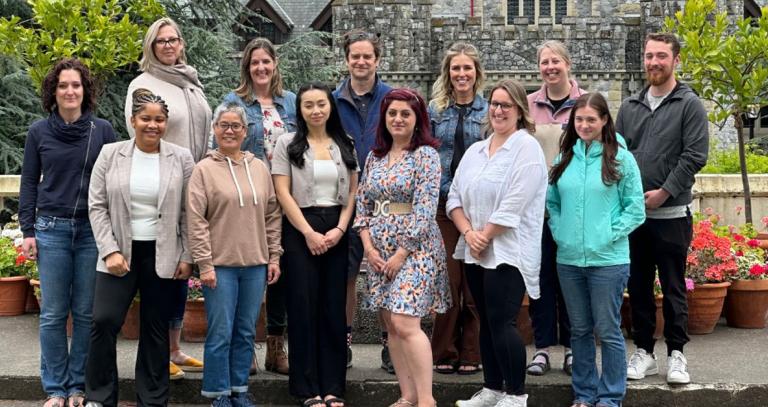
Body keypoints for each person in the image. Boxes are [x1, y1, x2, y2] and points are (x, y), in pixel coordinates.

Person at [85, 89, 195, 407]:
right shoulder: (110, 154)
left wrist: (187, 255)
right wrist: (109, 250)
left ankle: (152, 398)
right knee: (104, 320)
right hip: (119, 253)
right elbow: (97, 205)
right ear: (133, 120)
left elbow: (189, 211)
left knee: (156, 327)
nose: (152, 125)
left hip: (164, 255)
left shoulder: (181, 158)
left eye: (159, 119)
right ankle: (99, 396)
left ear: (166, 123)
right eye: (145, 118)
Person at [19, 58, 117, 407]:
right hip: (51, 230)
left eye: (76, 85)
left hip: (92, 232)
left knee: (87, 313)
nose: (70, 91)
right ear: (54, 91)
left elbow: (114, 184)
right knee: (53, 314)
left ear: (85, 90)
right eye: (63, 85)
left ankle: (78, 387)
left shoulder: (103, 131)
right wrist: (28, 230)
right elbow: (29, 182)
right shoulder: (38, 132)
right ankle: (55, 389)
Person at [616, 33, 709, 385]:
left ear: (676, 60)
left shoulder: (689, 104)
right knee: (638, 286)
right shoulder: (629, 106)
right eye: (649, 56)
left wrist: (665, 193)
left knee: (672, 288)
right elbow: (618, 155)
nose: (654, 62)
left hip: (671, 216)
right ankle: (644, 352)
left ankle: (676, 355)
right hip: (635, 218)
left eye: (661, 56)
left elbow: (695, 155)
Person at [450, 80, 547, 407]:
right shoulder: (477, 150)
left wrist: (485, 235)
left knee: (504, 322)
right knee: (487, 321)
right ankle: (492, 389)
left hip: (508, 251)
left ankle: (516, 394)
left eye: (506, 105)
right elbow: (454, 197)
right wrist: (469, 234)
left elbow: (515, 202)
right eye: (494, 103)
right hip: (476, 251)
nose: (499, 110)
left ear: (520, 110)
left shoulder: (526, 148)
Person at [125, 16, 211, 380]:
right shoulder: (144, 84)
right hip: (161, 187)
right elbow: (144, 130)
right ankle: (158, 352)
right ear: (151, 46)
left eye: (173, 39)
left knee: (181, 271)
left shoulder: (191, 82)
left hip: (192, 185)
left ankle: (175, 348)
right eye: (161, 41)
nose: (168, 46)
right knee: (159, 273)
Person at [547, 93, 646, 407]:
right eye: (579, 120)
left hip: (609, 260)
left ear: (604, 120)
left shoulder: (621, 158)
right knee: (578, 329)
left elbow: (636, 209)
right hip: (569, 259)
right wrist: (561, 233)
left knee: (607, 328)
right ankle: (584, 393)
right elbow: (552, 204)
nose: (584, 125)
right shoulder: (564, 158)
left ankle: (610, 396)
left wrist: (608, 235)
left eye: (591, 119)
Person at [353, 88, 449, 407]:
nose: (398, 119)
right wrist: (368, 247)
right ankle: (406, 395)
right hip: (379, 249)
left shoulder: (425, 156)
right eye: (392, 113)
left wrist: (402, 252)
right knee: (391, 325)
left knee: (406, 321)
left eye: (405, 114)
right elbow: (363, 204)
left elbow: (424, 208)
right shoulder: (375, 157)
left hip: (415, 249)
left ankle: (426, 399)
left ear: (417, 119)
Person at [187, 103, 282, 407]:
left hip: (255, 265)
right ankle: (217, 393)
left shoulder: (259, 168)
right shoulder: (203, 170)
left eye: (235, 126)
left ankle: (239, 389)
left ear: (245, 131)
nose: (229, 131)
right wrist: (204, 264)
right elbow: (196, 220)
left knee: (245, 332)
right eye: (223, 125)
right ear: (214, 130)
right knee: (220, 332)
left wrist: (274, 257)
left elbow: (272, 214)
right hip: (220, 267)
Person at [271, 83, 358, 407]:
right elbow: (282, 192)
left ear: (330, 107)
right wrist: (308, 232)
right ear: (301, 110)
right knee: (303, 307)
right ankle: (307, 388)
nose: (316, 110)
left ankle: (334, 386)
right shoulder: (287, 143)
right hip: (299, 229)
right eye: (309, 105)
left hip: (336, 229)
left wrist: (339, 228)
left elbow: (352, 193)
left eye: (321, 104)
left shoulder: (344, 143)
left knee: (333, 308)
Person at [221, 37, 297, 376]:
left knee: (279, 275)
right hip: (247, 198)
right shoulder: (234, 101)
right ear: (247, 67)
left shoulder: (291, 103)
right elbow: (222, 147)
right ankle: (244, 348)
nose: (261, 68)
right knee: (247, 271)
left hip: (287, 198)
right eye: (255, 63)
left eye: (266, 61)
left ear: (275, 64)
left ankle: (276, 347)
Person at [332, 29, 394, 371]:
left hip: (385, 204)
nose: (360, 61)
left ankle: (390, 346)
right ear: (347, 60)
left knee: (386, 275)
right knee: (347, 277)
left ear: (377, 60)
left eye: (367, 56)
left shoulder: (392, 98)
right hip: (344, 202)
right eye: (355, 56)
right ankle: (344, 344)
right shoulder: (332, 100)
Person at [525, 40, 587, 377]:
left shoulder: (585, 102)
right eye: (544, 62)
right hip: (538, 213)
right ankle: (543, 348)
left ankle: (575, 349)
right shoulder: (528, 105)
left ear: (567, 63)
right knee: (540, 281)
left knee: (572, 282)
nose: (550, 68)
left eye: (555, 62)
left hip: (575, 212)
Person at [427, 42, 487, 376]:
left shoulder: (489, 110)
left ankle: (472, 350)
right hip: (444, 206)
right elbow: (430, 156)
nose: (461, 74)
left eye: (467, 68)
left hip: (479, 207)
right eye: (455, 68)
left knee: (475, 282)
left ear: (476, 73)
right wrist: (450, 194)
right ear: (447, 73)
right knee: (448, 281)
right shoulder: (435, 111)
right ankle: (444, 350)